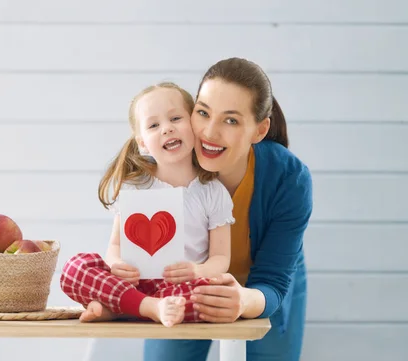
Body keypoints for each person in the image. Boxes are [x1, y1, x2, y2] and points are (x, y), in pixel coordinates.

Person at [143, 58, 313, 361]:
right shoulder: (168, 161)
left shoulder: (289, 178)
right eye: (203, 112)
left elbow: (273, 281)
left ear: (259, 130)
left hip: (266, 286)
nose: (209, 132)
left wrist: (243, 300)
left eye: (231, 120)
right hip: (185, 288)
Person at [59, 82, 235, 328]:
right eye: (154, 125)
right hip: (134, 283)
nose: (167, 129)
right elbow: (115, 245)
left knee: (215, 295)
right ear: (142, 143)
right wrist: (116, 265)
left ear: (194, 126)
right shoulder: (134, 187)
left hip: (183, 286)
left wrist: (197, 272)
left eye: (175, 118)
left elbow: (220, 258)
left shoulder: (213, 192)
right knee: (76, 267)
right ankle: (149, 307)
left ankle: (122, 309)